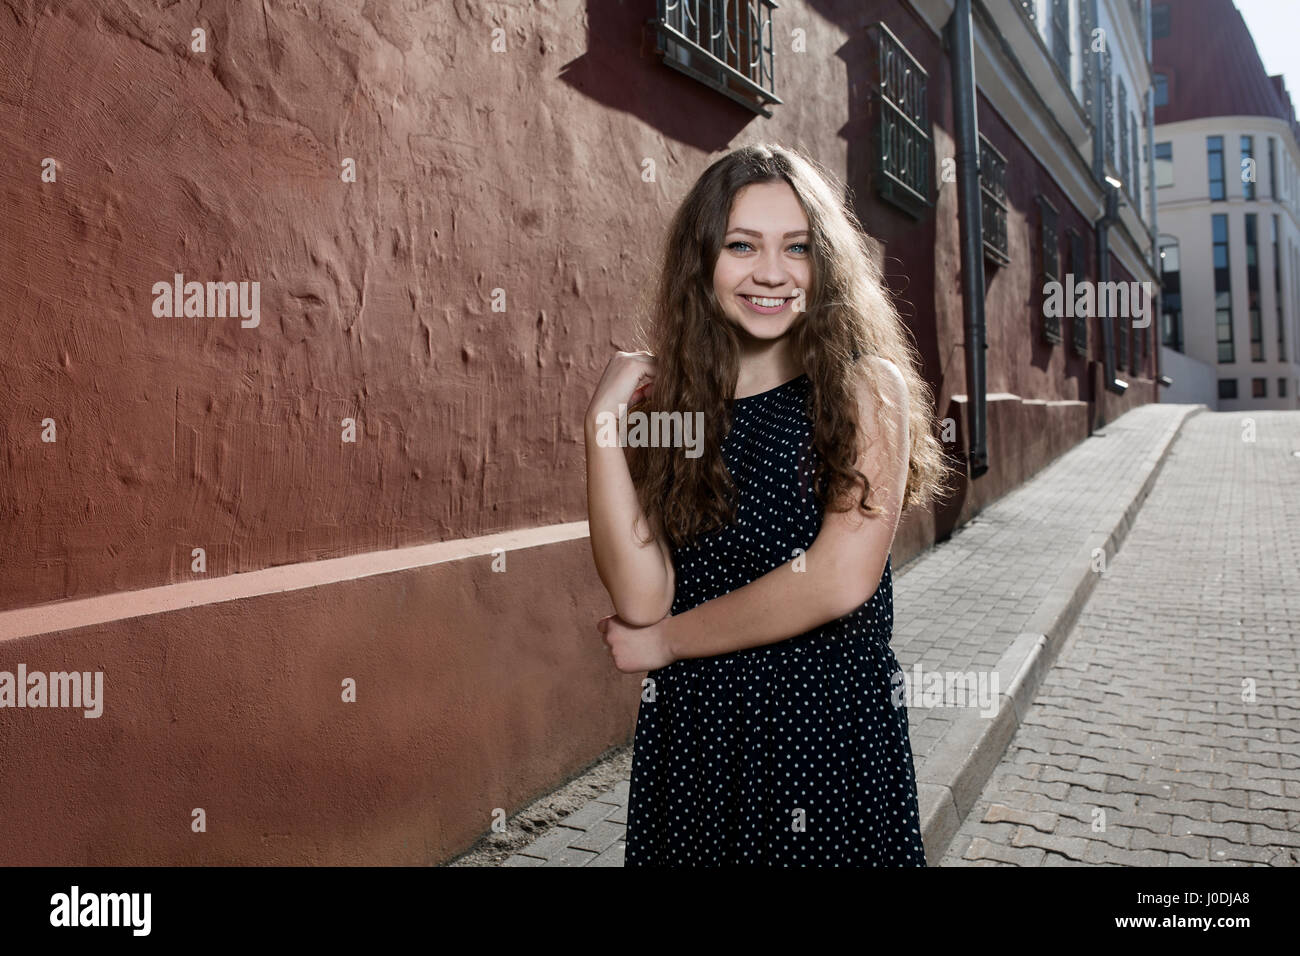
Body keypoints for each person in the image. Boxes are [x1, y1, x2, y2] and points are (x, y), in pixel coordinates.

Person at [583, 143, 952, 866]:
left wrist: (665, 645)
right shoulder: (677, 410)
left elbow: (838, 578)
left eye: (798, 248)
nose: (773, 273)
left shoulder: (864, 389)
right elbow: (643, 598)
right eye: (742, 245)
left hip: (822, 739)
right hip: (696, 741)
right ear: (703, 262)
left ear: (827, 264)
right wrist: (601, 429)